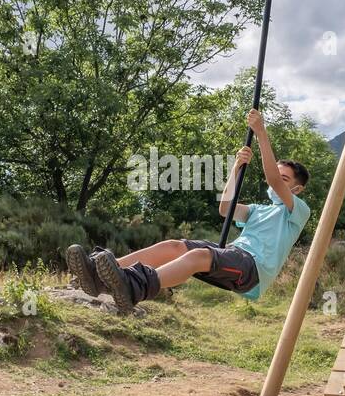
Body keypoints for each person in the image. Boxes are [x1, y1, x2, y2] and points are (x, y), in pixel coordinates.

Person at [66, 110, 311, 314]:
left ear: (296, 189)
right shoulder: (259, 210)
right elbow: (225, 208)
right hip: (234, 254)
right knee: (174, 246)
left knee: (199, 256)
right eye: (277, 175)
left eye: (284, 179)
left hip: (252, 271)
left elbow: (272, 180)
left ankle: (133, 287)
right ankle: (100, 274)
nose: (275, 182)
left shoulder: (296, 212)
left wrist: (261, 134)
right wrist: (236, 168)